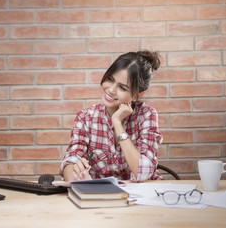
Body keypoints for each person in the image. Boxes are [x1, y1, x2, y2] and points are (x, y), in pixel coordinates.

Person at [60, 50, 163, 182]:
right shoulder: (85, 118)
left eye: (122, 88)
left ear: (137, 95)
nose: (111, 90)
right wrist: (73, 173)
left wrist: (117, 123)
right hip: (100, 195)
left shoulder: (146, 115)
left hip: (141, 196)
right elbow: (71, 159)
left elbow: (142, 173)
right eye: (110, 79)